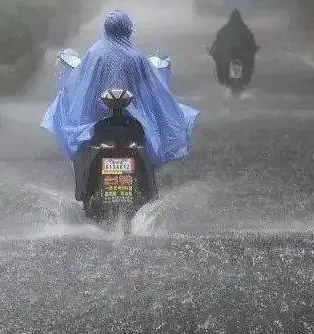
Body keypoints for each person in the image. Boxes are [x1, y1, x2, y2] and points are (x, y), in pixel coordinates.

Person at [41, 10, 199, 199]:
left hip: (97, 122)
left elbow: (81, 86)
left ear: (106, 30)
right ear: (127, 30)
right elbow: (154, 92)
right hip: (135, 123)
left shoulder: (95, 55)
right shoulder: (137, 58)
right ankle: (147, 188)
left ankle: (84, 190)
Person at [209, 9, 259, 85]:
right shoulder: (245, 29)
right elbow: (251, 43)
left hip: (234, 58)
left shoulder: (225, 30)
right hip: (234, 58)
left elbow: (218, 42)